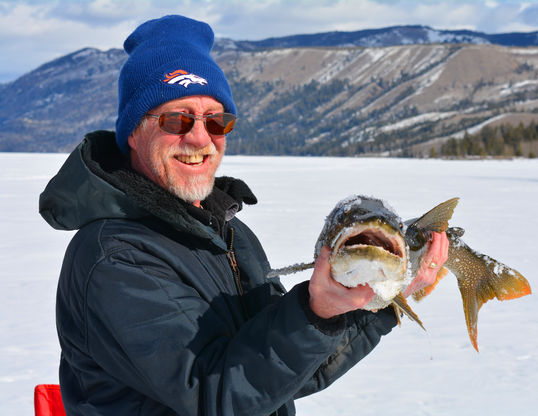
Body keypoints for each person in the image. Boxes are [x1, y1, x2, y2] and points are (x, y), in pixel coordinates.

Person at [39, 15, 448, 416]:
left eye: (216, 121)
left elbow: (290, 373)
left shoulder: (229, 234)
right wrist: (315, 310)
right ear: (133, 130)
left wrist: (377, 303)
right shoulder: (114, 257)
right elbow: (215, 395)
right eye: (176, 119)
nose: (200, 138)